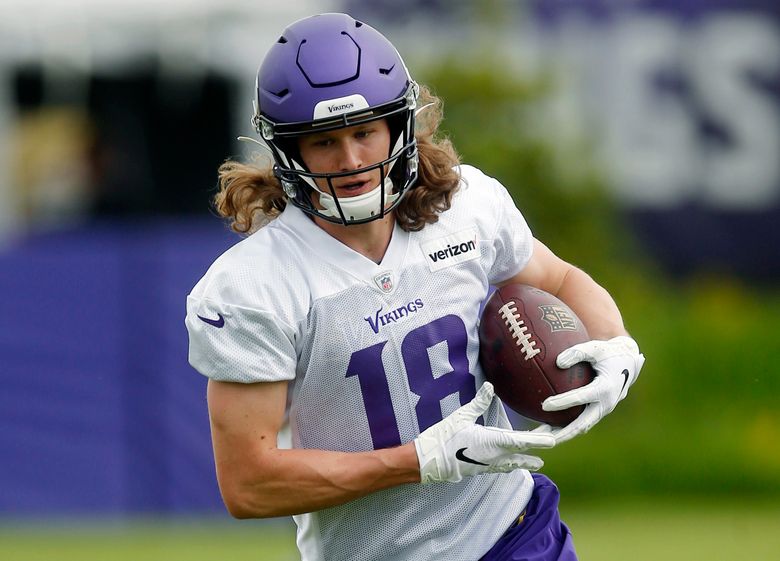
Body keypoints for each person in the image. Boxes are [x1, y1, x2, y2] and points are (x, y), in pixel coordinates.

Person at [185, 12, 645, 561]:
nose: (352, 160)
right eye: (324, 141)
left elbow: (561, 279)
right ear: (289, 152)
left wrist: (615, 343)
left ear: (399, 127)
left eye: (364, 132)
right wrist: (420, 460)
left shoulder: (466, 207)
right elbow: (249, 483)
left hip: (512, 534)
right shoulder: (253, 286)